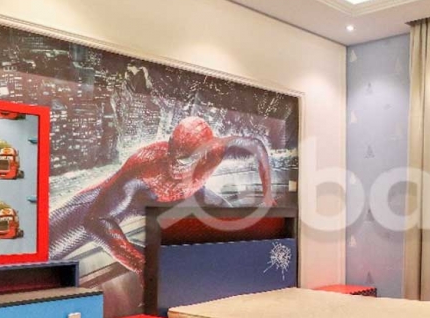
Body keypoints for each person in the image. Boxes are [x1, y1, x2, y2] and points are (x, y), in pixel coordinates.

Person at [50, 116, 272, 274]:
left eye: (183, 160)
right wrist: (140, 264)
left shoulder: (218, 150)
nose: (174, 165)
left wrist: (267, 193)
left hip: (188, 195)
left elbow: (257, 147)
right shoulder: (145, 167)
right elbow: (95, 220)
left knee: (231, 220)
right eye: (172, 154)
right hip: (133, 202)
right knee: (50, 242)